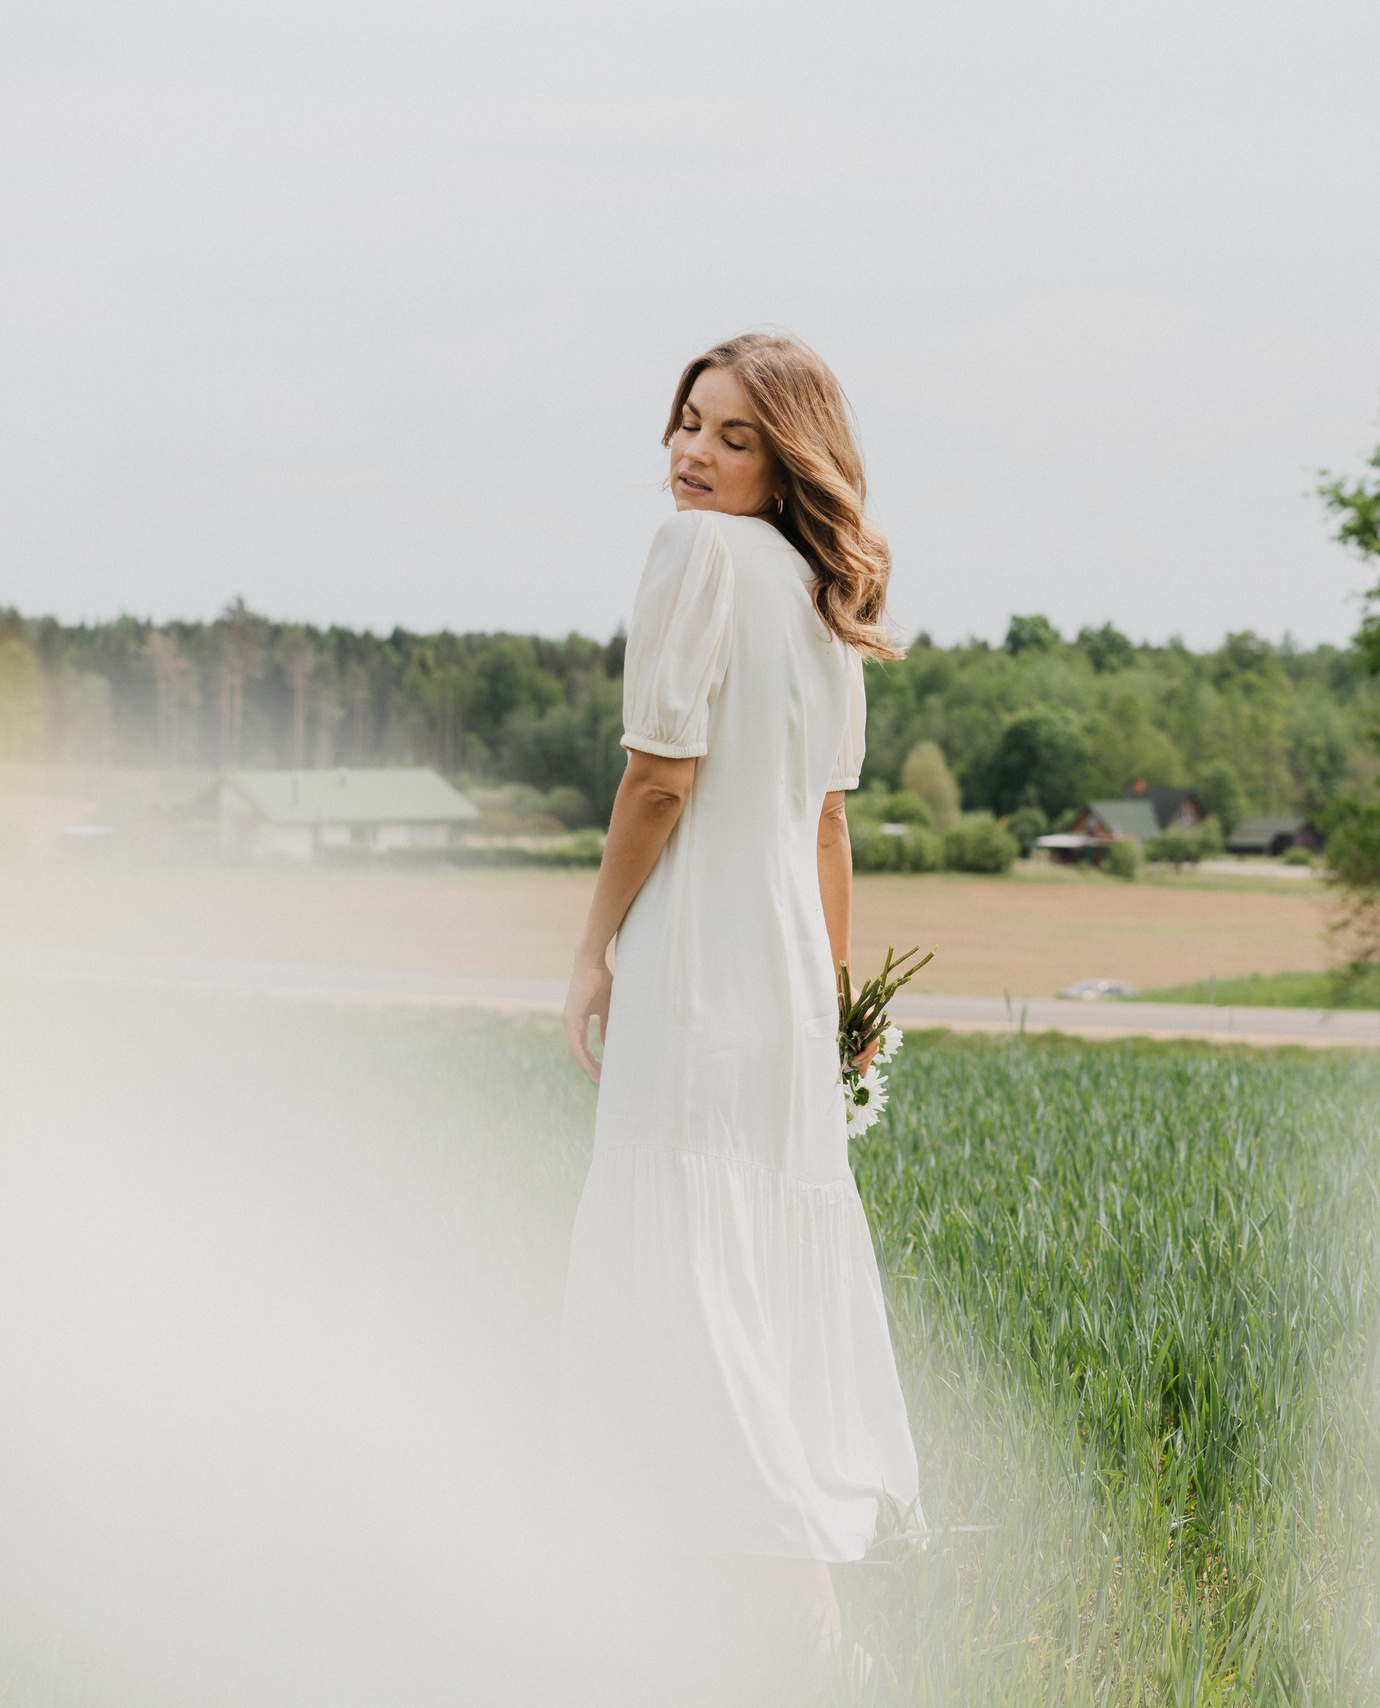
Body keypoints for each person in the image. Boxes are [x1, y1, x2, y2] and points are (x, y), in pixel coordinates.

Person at [555, 332, 920, 1672]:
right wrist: (832, 1006)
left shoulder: (697, 558)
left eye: (732, 437)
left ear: (788, 458)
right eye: (685, 425)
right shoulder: (826, 599)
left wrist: (594, 948)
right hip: (778, 968)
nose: (691, 456)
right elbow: (827, 830)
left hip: (701, 958)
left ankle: (793, 1613)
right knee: (754, 1274)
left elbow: (660, 776)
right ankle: (754, 1607)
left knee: (692, 1266)